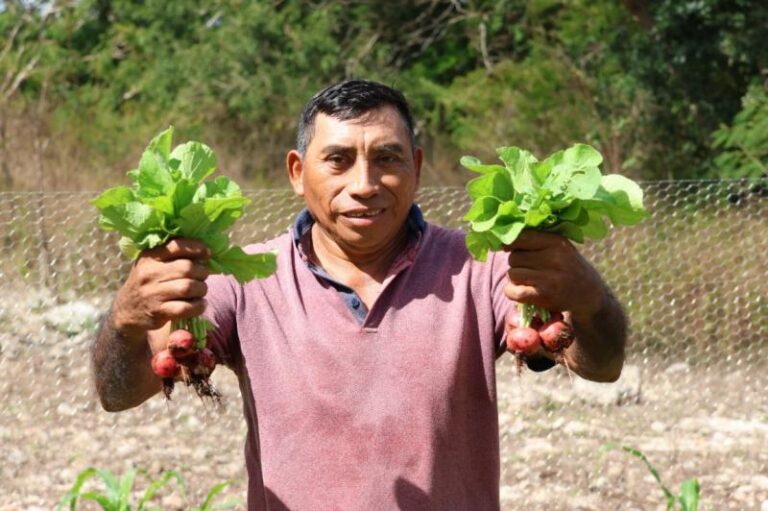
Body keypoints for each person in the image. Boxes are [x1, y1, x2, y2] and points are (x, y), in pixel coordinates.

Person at [91, 79, 626, 510]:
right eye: (339, 160)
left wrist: (589, 299)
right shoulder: (247, 278)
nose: (365, 183)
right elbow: (121, 393)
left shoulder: (480, 268)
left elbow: (598, 365)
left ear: (415, 168)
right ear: (298, 173)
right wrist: (125, 320)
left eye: (388, 159)